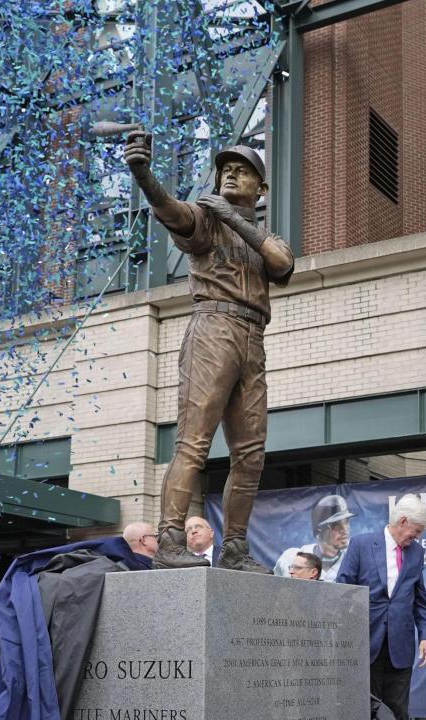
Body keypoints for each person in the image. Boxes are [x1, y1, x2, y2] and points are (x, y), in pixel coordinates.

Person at [123, 133, 294, 572]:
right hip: (213, 327)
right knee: (194, 442)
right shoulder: (205, 218)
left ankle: (235, 548)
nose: (230, 174)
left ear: (262, 187)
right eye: (225, 169)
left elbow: (282, 266)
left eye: (242, 170)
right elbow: (171, 212)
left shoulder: (260, 233)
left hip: (253, 337)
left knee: (251, 454)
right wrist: (144, 175)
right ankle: (171, 539)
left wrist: (235, 219)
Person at [337, 494, 426, 720]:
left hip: (400, 649)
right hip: (366, 645)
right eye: (417, 530)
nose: (418, 537)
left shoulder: (416, 553)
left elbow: (420, 599)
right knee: (367, 714)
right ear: (403, 521)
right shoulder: (361, 544)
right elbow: (342, 590)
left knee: (398, 714)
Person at [274, 494, 356, 582]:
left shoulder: (353, 563)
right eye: (336, 525)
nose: (345, 530)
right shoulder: (291, 558)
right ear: (319, 530)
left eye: (346, 522)